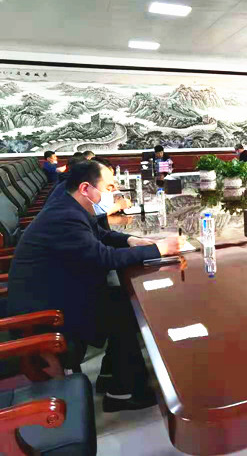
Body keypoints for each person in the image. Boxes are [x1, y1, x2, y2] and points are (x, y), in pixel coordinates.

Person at [8, 160, 185, 411]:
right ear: (85, 188)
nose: (113, 193)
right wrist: (159, 249)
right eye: (109, 187)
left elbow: (99, 235)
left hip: (56, 293)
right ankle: (123, 390)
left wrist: (131, 240)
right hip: (45, 314)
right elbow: (104, 258)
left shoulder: (69, 205)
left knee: (122, 302)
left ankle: (115, 378)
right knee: (124, 309)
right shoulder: (64, 217)